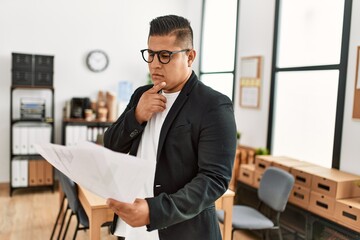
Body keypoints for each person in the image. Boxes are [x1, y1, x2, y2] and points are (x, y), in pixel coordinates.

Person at [104, 14, 237, 240]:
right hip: (134, 226)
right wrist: (137, 115)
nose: (155, 63)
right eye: (151, 54)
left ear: (190, 57)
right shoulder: (141, 95)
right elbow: (111, 144)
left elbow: (214, 180)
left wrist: (154, 211)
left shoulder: (213, 105)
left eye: (165, 55)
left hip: (181, 229)